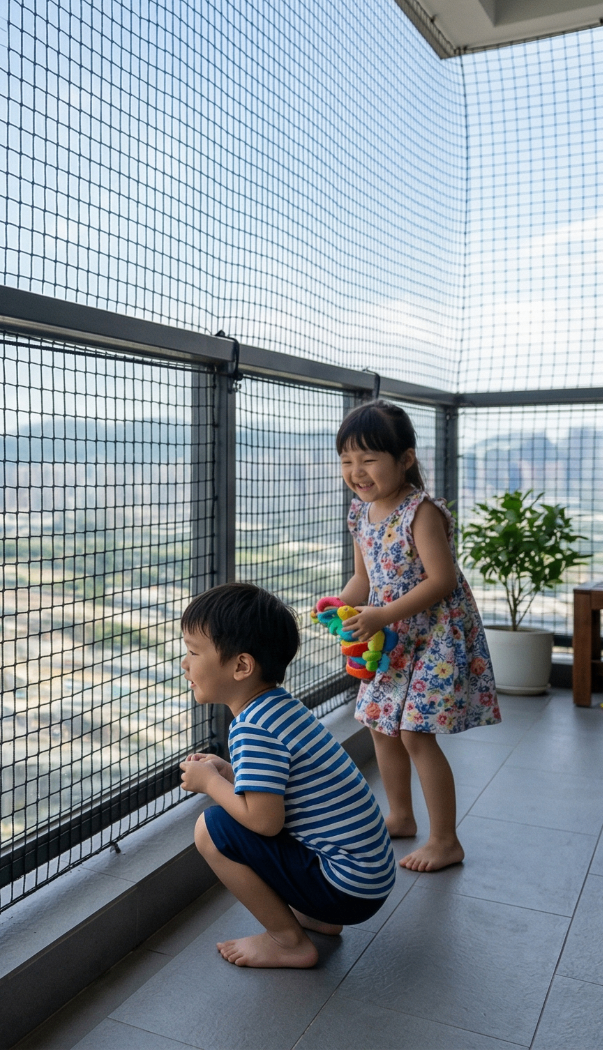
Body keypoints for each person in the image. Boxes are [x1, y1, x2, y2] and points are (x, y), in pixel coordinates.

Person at [178, 583, 395, 969]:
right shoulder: (279, 708)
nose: (185, 663)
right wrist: (227, 771)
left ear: (241, 666)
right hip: (367, 878)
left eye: (193, 652)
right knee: (229, 820)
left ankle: (287, 941)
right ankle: (320, 917)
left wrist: (211, 784)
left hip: (348, 888)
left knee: (211, 828)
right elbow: (283, 785)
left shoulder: (252, 727)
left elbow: (264, 820)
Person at [334, 399, 499, 873]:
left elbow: (441, 580)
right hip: (391, 640)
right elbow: (362, 581)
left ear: (405, 458)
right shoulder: (359, 513)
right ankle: (401, 816)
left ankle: (446, 840)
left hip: (435, 637)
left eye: (368, 459)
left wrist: (381, 614)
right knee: (380, 727)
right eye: (347, 460)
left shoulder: (421, 511)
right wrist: (340, 607)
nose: (356, 471)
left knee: (414, 733)